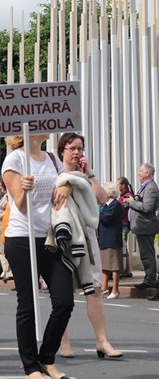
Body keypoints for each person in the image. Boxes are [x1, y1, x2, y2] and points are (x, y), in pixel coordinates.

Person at [2, 133, 74, 379]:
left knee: (64, 301)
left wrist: (66, 184)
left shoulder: (53, 158)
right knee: (28, 303)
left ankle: (47, 357)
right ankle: (31, 366)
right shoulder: (14, 160)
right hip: (22, 238)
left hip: (51, 237)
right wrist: (24, 190)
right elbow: (20, 206)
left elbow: (73, 183)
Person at [55, 132, 121, 359]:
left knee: (94, 291)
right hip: (62, 238)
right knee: (62, 294)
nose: (77, 152)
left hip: (87, 237)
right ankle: (63, 343)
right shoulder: (55, 172)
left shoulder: (84, 175)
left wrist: (88, 173)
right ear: (62, 150)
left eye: (80, 148)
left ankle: (102, 341)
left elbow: (102, 198)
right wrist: (67, 182)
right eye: (72, 148)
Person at [123, 163, 159, 299]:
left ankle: (151, 280)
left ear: (147, 173)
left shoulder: (151, 188)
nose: (138, 173)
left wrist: (132, 202)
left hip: (146, 227)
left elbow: (147, 207)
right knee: (145, 254)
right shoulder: (146, 187)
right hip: (141, 227)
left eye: (140, 171)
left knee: (147, 254)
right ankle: (148, 279)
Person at [98, 182, 124, 299]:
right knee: (104, 265)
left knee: (114, 265)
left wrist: (96, 214)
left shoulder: (115, 204)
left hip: (112, 238)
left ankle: (115, 289)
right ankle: (104, 288)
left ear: (109, 193)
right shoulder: (106, 205)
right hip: (104, 237)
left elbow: (106, 218)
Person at [0, 178, 13, 282]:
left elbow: (12, 209)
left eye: (1, 184)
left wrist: (2, 214)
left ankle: (9, 272)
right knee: (0, 249)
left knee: (6, 248)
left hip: (5, 223)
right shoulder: (2, 196)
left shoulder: (10, 195)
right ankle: (4, 271)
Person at [116, 177, 134, 277]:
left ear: (123, 185)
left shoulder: (127, 196)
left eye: (117, 184)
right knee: (124, 247)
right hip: (122, 224)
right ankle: (127, 270)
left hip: (124, 224)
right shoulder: (123, 195)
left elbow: (123, 209)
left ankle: (126, 270)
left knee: (123, 247)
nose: (116, 186)